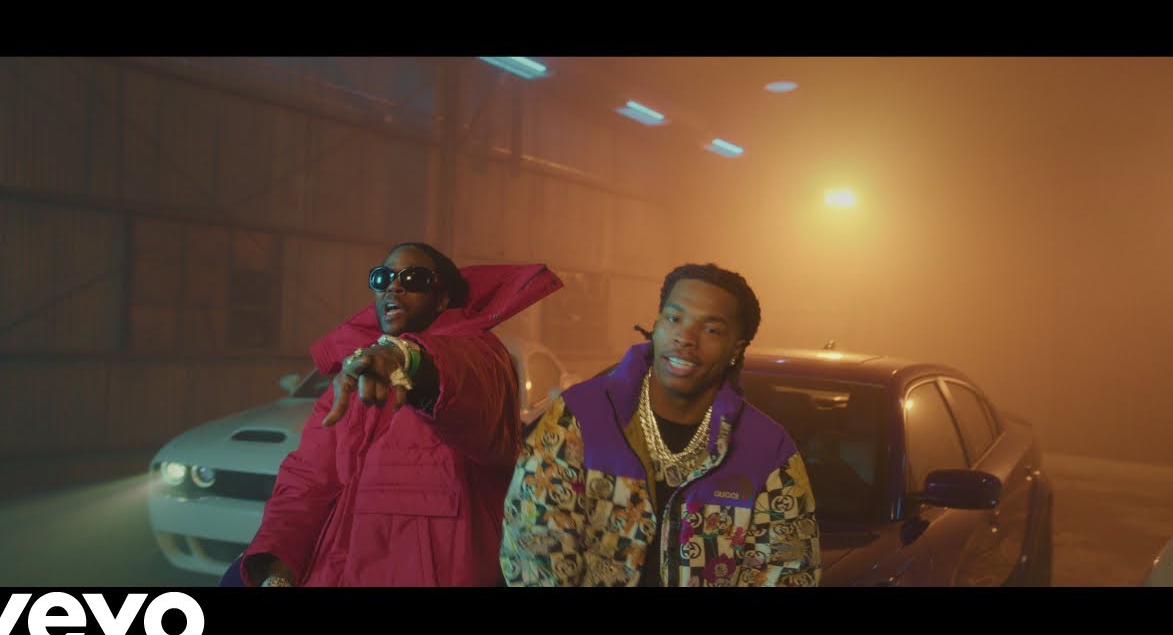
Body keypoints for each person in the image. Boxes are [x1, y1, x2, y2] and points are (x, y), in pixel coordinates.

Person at [234, 241, 563, 586]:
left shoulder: (482, 356)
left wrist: (405, 357)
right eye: (383, 278)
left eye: (413, 278)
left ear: (442, 299)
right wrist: (277, 569)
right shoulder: (354, 375)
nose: (394, 286)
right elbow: (306, 481)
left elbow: (462, 374)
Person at [500, 263, 820, 586]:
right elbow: (534, 546)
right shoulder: (578, 418)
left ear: (735, 349)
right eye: (674, 318)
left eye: (711, 330)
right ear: (656, 325)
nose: (685, 338)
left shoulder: (768, 452)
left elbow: (788, 570)